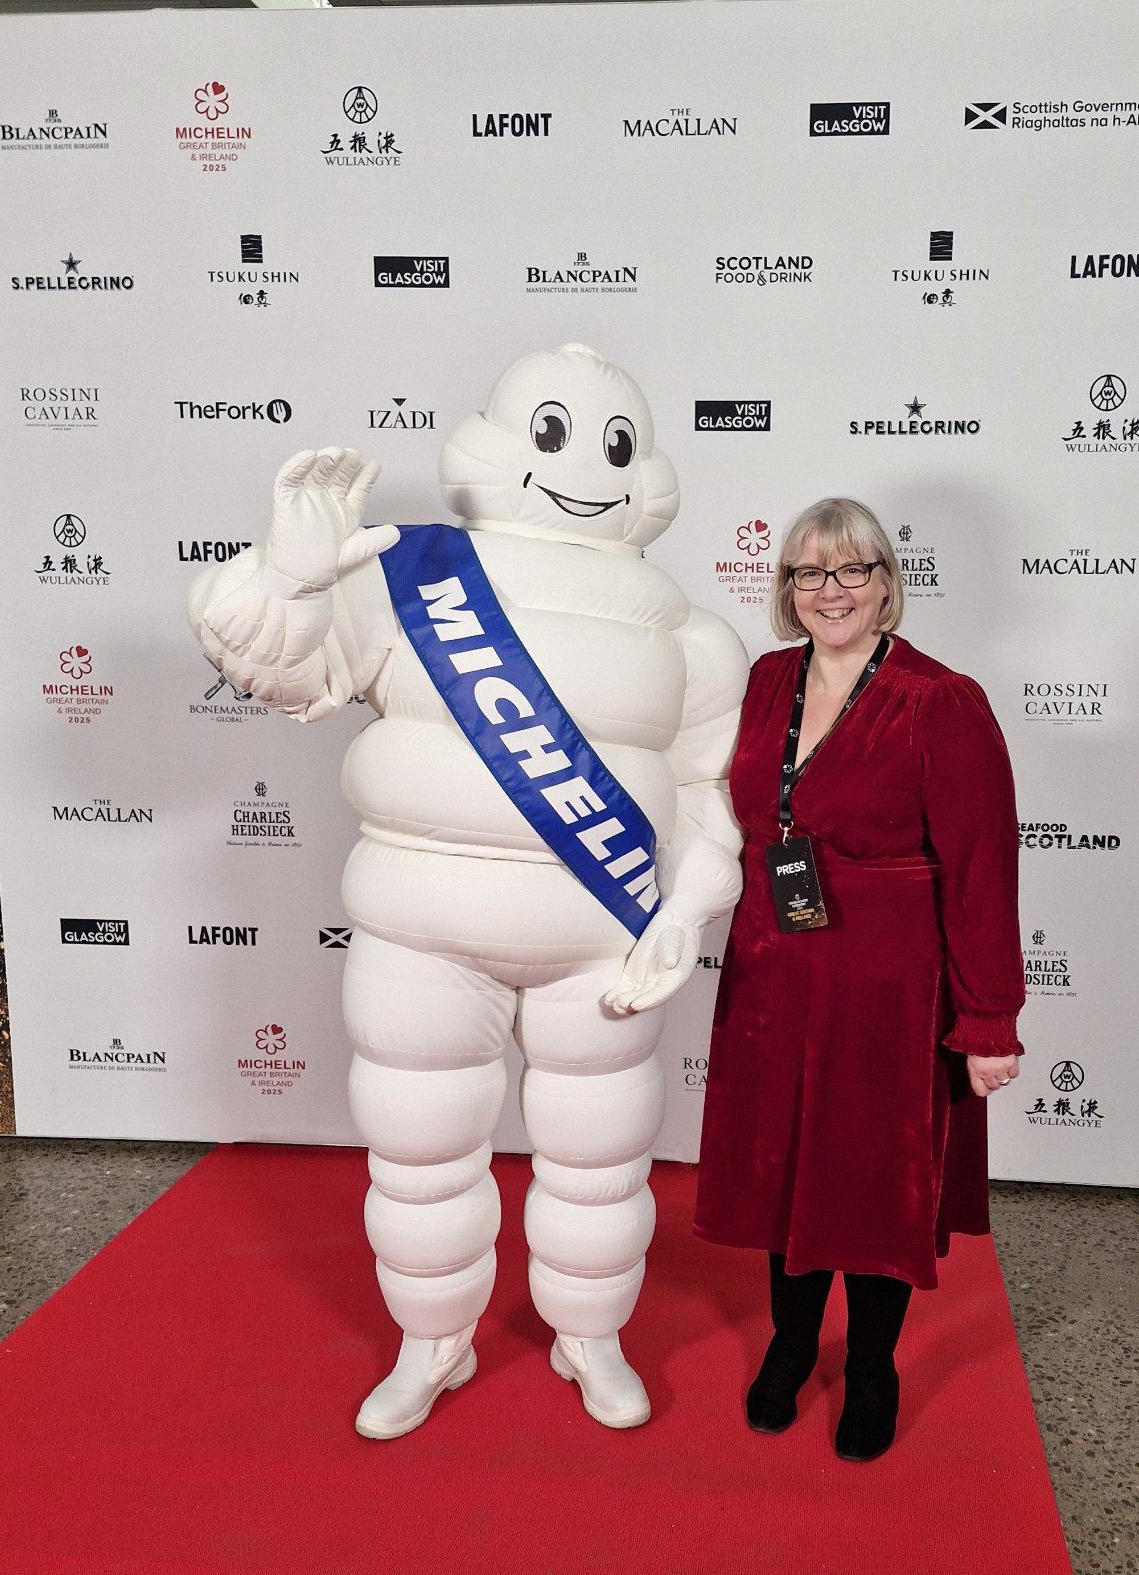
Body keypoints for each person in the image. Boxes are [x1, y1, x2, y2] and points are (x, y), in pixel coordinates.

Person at [189, 344, 748, 1439]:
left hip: (604, 944)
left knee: (602, 1163)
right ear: (498, 445)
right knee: (418, 1153)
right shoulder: (411, 576)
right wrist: (292, 577)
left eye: (613, 443)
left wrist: (685, 908)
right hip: (422, 935)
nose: (586, 462)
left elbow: (703, 792)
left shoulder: (692, 636)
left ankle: (592, 1336)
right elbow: (277, 667)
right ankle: (430, 1342)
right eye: (554, 434)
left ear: (647, 472)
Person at [694, 498, 1024, 1461]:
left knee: (877, 1178)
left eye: (850, 571)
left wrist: (990, 1020)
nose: (829, 591)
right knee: (782, 1167)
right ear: (785, 589)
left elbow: (980, 865)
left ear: (887, 582)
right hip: (773, 974)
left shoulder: (940, 698)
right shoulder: (764, 682)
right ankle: (792, 1346)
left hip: (890, 986)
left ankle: (872, 1365)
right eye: (808, 573)